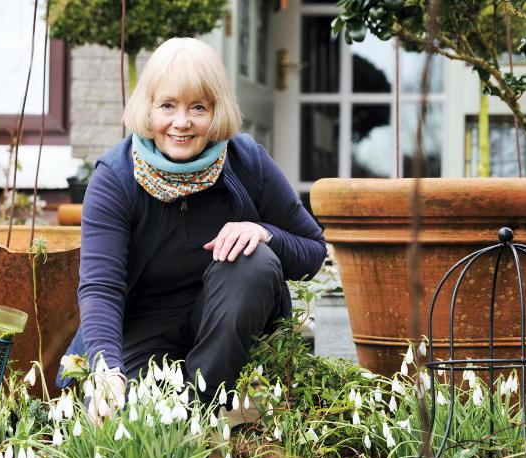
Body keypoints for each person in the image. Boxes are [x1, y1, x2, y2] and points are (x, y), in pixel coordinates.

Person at [57, 37, 326, 409]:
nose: (181, 123)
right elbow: (101, 288)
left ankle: (204, 405)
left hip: (226, 332)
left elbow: (313, 251)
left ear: (217, 111)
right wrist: (106, 369)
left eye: (198, 108)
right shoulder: (116, 178)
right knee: (126, 424)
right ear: (148, 107)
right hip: (143, 327)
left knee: (255, 260)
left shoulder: (248, 162)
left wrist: (265, 232)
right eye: (167, 105)